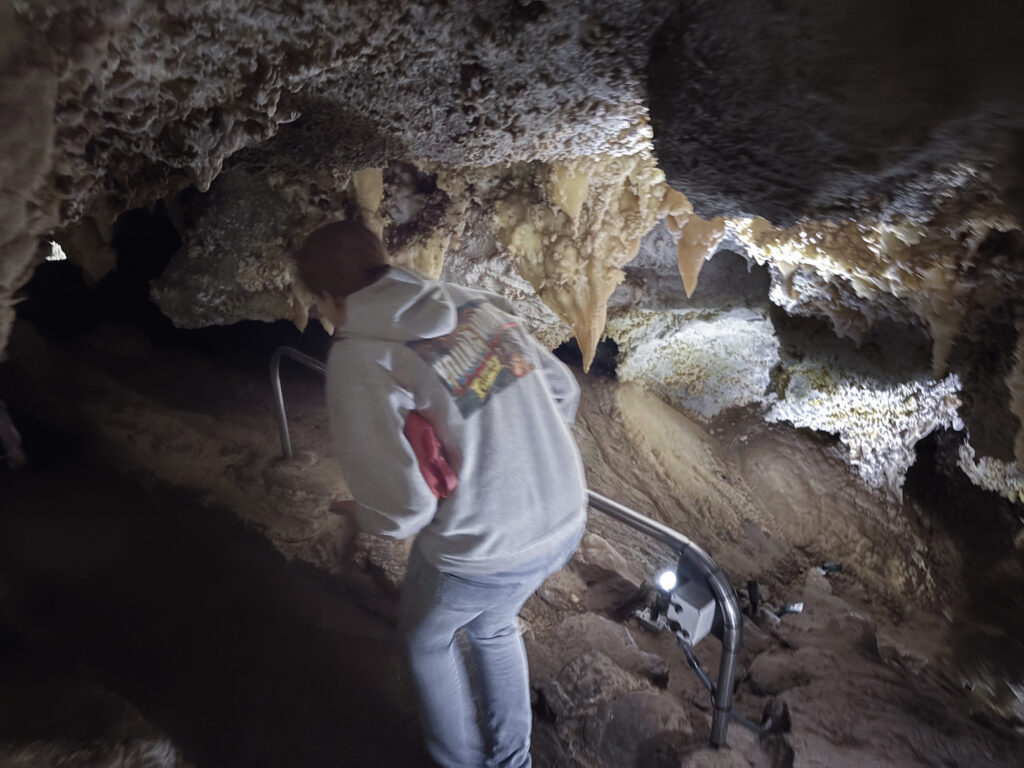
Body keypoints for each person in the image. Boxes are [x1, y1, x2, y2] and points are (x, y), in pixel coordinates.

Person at [292, 220, 587, 768]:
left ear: (327, 297)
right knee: (495, 623)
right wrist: (520, 453)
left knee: (428, 641)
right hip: (566, 515)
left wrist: (369, 513)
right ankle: (512, 762)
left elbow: (405, 507)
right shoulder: (471, 303)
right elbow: (562, 389)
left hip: (483, 546)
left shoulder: (362, 355)